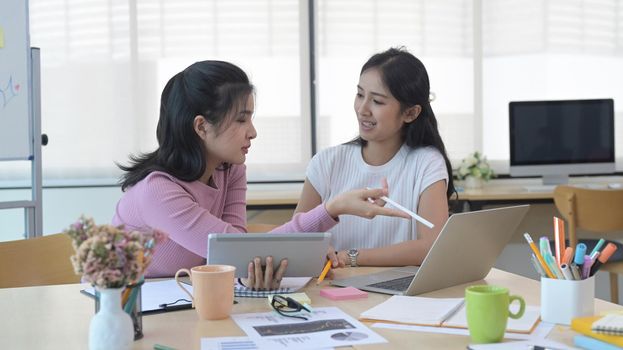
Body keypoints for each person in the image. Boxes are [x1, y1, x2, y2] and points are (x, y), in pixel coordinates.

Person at [112, 60, 408, 288]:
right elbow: (237, 251)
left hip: (185, 297)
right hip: (129, 305)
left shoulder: (230, 169)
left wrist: (250, 271)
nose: (253, 132)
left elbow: (237, 252)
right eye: (242, 119)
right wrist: (333, 208)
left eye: (251, 117)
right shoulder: (158, 191)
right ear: (201, 127)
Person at [295, 47, 456, 270]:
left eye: (377, 101)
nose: (362, 109)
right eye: (360, 94)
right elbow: (296, 238)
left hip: (401, 296)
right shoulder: (326, 163)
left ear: (410, 113)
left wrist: (352, 257)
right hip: (334, 291)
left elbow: (432, 246)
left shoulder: (427, 163)